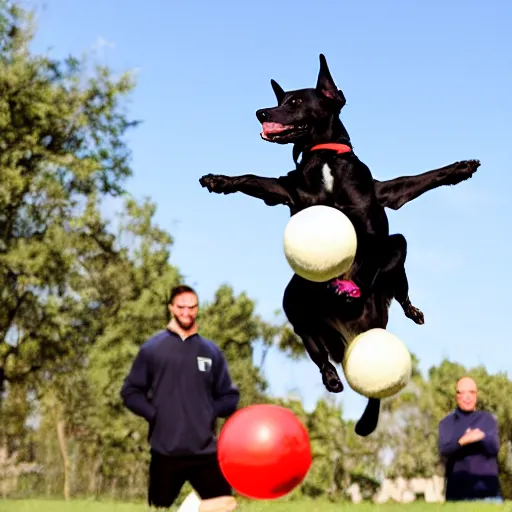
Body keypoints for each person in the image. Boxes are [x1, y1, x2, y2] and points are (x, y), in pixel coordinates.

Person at [120, 284, 240, 509]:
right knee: (159, 508)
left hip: (204, 450)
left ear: (197, 309)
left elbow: (229, 396)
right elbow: (130, 392)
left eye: (192, 307)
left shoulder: (211, 352)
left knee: (226, 504)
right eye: (181, 307)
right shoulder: (152, 349)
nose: (187, 312)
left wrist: (209, 412)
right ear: (171, 308)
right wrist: (155, 414)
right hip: (165, 450)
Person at [437, 376, 502, 503]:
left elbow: (494, 448)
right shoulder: (447, 423)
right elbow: (444, 450)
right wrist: (462, 441)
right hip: (457, 495)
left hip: (488, 494)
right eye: (463, 392)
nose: (468, 397)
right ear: (457, 395)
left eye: (472, 392)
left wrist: (481, 437)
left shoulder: (487, 419)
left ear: (476, 395)